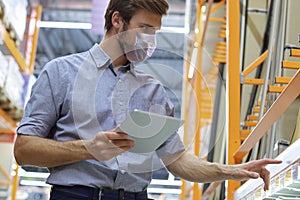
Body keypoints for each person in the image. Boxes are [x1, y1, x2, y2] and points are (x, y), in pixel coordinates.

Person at [14, 0, 281, 199]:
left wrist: (230, 171)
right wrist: (88, 149)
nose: (150, 40)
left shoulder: (152, 90)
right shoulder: (61, 73)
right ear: (117, 20)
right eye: (145, 28)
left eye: (155, 32)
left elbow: (178, 161)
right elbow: (24, 149)